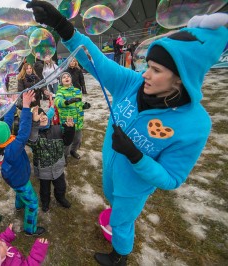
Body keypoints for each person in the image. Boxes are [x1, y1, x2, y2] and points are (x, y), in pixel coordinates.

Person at [27, 2, 228, 265]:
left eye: (156, 70)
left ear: (181, 78)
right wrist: (62, 26)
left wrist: (135, 155)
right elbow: (95, 60)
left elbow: (172, 178)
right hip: (111, 172)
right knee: (112, 202)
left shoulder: (195, 124)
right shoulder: (132, 84)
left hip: (133, 188)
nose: (145, 74)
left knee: (122, 221)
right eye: (149, 65)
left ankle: (120, 255)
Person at [0, 90, 46, 236]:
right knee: (33, 203)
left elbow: (7, 122)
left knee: (19, 192)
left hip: (11, 176)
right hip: (19, 178)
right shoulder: (11, 149)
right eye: (6, 130)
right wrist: (26, 107)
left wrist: (12, 103)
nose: (8, 128)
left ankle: (18, 206)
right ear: (5, 135)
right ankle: (30, 229)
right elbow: (23, 133)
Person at [28, 104, 75, 212]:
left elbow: (67, 141)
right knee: (44, 190)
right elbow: (32, 142)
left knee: (61, 186)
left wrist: (70, 129)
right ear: (34, 122)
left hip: (58, 167)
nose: (43, 117)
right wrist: (34, 125)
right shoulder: (34, 135)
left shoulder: (57, 128)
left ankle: (60, 198)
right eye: (38, 117)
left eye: (43, 114)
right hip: (43, 170)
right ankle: (45, 202)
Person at [55, 72, 90, 160]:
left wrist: (83, 106)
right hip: (68, 121)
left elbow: (78, 103)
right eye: (64, 77)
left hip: (78, 120)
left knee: (77, 139)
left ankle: (73, 151)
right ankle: (65, 155)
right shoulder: (60, 92)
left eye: (68, 77)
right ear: (61, 81)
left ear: (71, 80)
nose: (66, 78)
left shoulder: (77, 91)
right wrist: (67, 102)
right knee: (68, 141)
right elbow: (57, 101)